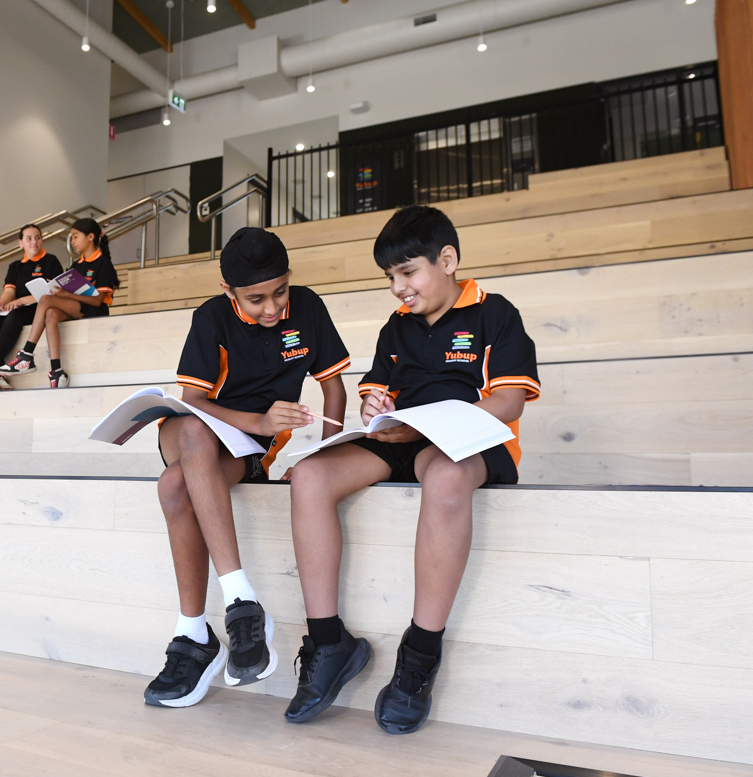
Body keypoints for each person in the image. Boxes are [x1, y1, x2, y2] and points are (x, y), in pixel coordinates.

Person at [284, 205, 540, 730]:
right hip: (403, 438)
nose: (399, 287)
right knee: (308, 474)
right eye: (390, 278)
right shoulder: (396, 328)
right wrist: (374, 412)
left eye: (408, 272)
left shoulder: (494, 312)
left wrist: (426, 429)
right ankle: (329, 642)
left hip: (469, 439)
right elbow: (376, 396)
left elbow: (510, 400)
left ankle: (420, 654)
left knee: (444, 475)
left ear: (447, 260)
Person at [143, 227, 352, 709]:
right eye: (256, 299)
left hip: (245, 448)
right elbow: (193, 401)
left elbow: (334, 389)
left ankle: (193, 634)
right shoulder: (212, 317)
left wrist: (323, 455)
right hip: (199, 427)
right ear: (229, 293)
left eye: (280, 291)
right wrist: (259, 417)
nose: (273, 307)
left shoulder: (308, 307)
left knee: (174, 488)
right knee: (193, 434)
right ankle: (240, 599)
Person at [0, 217, 119, 389]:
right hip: (78, 307)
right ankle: (56, 370)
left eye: (76, 237)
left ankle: (26, 355)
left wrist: (64, 294)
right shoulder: (76, 265)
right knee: (51, 313)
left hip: (94, 309)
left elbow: (98, 300)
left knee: (46, 299)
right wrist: (59, 290)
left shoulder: (103, 262)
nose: (73, 242)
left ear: (90, 237)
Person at [0, 224, 64, 392]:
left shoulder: (51, 261)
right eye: (29, 238)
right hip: (19, 307)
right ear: (20, 243)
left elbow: (52, 292)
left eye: (38, 237)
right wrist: (0, 304)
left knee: (14, 316)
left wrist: (22, 301)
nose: (34, 242)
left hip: (40, 307)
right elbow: (9, 291)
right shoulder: (15, 266)